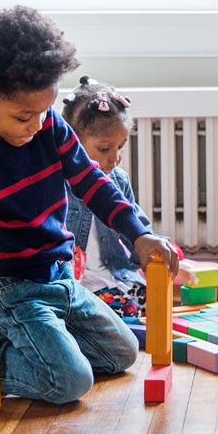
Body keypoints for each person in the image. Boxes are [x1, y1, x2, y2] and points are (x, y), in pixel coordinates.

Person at [0, 6, 178, 405]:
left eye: (43, 111)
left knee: (122, 353)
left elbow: (94, 185)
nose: (35, 126)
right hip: (8, 287)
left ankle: (18, 339)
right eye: (22, 116)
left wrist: (139, 233)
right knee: (71, 383)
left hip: (61, 276)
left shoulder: (50, 126)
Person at [60, 76, 153, 319]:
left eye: (120, 147)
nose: (115, 158)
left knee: (148, 302)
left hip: (113, 278)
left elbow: (137, 228)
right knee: (113, 312)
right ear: (72, 142)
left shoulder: (118, 180)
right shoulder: (55, 184)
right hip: (74, 285)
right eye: (104, 149)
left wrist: (154, 256)